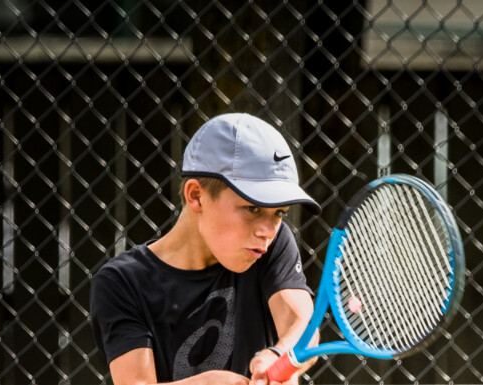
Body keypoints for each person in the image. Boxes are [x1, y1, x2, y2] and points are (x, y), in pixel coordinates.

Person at [90, 113, 321, 385]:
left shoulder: (272, 244)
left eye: (279, 212)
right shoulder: (121, 282)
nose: (267, 230)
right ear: (196, 196)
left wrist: (279, 356)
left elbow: (303, 326)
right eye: (253, 208)